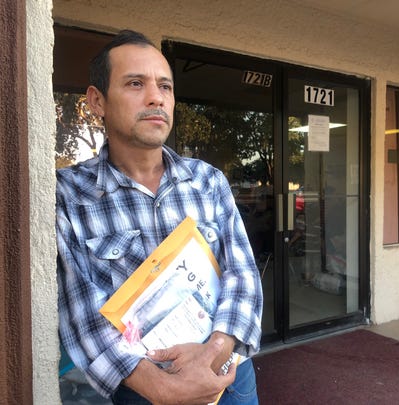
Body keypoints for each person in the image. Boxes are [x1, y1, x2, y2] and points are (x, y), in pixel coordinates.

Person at [56, 29, 263, 405]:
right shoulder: (70, 195)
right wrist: (163, 387)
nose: (156, 97)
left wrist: (214, 350)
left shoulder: (208, 181)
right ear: (97, 101)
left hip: (229, 378)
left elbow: (243, 275)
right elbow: (82, 314)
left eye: (165, 87)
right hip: (144, 389)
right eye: (135, 83)